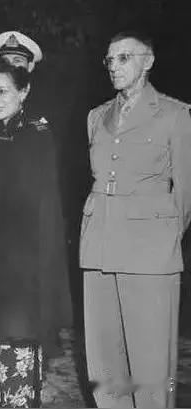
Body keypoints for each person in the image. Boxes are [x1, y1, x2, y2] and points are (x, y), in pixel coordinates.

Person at [80, 31, 191, 408]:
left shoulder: (175, 115)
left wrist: (159, 239)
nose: (114, 66)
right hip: (99, 247)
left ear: (149, 61)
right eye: (109, 60)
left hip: (149, 254)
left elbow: (184, 194)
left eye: (124, 57)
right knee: (105, 365)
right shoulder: (96, 116)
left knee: (150, 366)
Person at [0, 63, 71, 408]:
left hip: (24, 258)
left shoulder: (36, 137)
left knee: (18, 335)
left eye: (3, 91)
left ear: (24, 92)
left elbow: (42, 207)